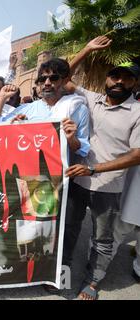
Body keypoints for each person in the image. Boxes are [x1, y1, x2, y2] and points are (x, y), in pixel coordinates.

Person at [63, 35, 140, 300]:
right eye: (115, 76)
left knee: (102, 239)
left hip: (108, 187)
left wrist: (95, 170)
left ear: (135, 83)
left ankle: (93, 281)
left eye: (127, 78)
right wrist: (86, 49)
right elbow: (63, 79)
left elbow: (137, 155)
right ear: (107, 79)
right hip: (77, 181)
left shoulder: (137, 112)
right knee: (70, 229)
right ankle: (61, 271)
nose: (119, 81)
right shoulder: (92, 99)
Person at [0, 58, 90, 159]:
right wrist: (2, 99)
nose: (47, 83)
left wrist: (72, 139)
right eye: (43, 79)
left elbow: (83, 149)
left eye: (53, 78)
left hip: (61, 172)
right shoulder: (26, 109)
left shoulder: (78, 109)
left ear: (65, 81)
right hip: (28, 170)